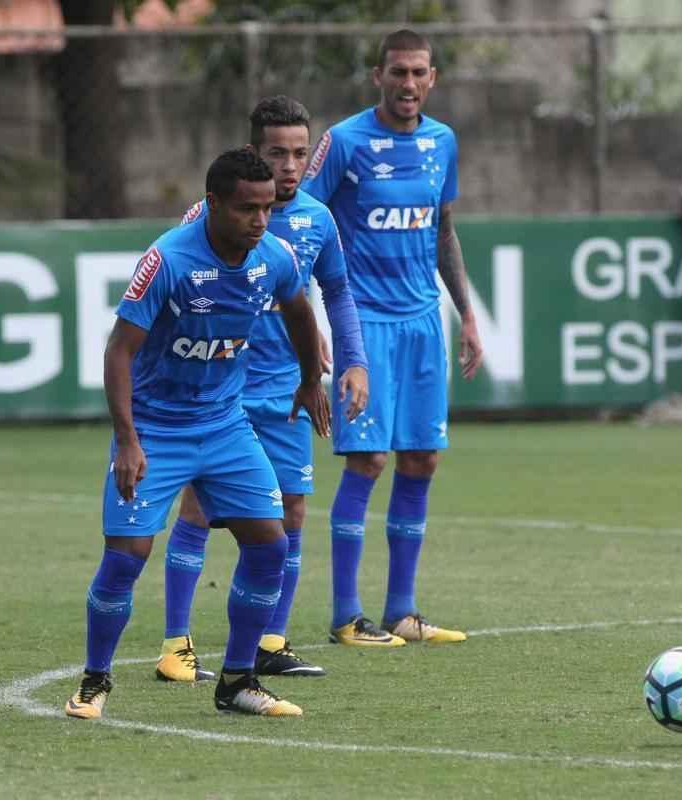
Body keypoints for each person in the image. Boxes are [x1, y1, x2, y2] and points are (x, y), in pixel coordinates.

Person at [65, 148, 331, 720]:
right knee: (127, 556)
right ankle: (95, 680)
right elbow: (119, 349)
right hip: (157, 429)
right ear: (212, 204)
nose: (259, 221)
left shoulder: (274, 257)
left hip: (225, 425)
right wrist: (128, 438)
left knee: (271, 545)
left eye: (265, 209)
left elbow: (300, 310)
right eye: (245, 209)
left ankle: (237, 681)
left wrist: (311, 379)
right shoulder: (169, 260)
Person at [153, 96, 370, 684]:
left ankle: (270, 639)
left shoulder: (318, 221)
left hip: (290, 391)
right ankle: (177, 644)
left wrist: (353, 361)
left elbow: (338, 293)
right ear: (253, 153)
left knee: (292, 510)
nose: (291, 165)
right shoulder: (207, 217)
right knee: (198, 507)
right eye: (278, 152)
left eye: (301, 153)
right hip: (223, 390)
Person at [300, 29, 483, 647]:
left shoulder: (442, 142)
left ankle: (402, 610)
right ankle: (347, 615)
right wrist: (306, 316)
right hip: (366, 323)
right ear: (378, 75)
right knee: (368, 460)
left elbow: (443, 231)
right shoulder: (344, 142)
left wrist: (468, 315)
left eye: (419, 73)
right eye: (398, 72)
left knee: (422, 459)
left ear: (433, 78)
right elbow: (300, 221)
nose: (409, 84)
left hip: (423, 323)